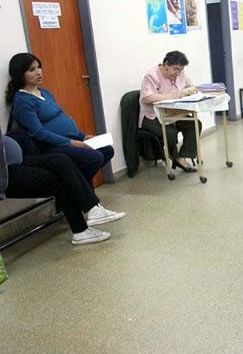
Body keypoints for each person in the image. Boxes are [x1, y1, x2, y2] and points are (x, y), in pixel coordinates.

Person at [6, 53, 125, 226]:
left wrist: (82, 136)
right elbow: (38, 132)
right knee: (93, 157)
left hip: (71, 139)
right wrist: (71, 142)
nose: (39, 72)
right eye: (32, 70)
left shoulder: (44, 92)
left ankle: (73, 193)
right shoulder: (22, 100)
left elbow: (62, 117)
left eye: (39, 67)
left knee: (106, 150)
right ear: (20, 74)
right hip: (50, 146)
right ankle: (77, 197)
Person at [1, 129, 112, 245]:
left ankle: (92, 209)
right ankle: (81, 230)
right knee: (59, 178)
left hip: (13, 162)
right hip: (5, 172)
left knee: (61, 161)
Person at [139, 50, 202, 172]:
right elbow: (147, 98)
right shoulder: (152, 75)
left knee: (194, 124)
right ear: (166, 65)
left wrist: (191, 90)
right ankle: (176, 158)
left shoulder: (180, 74)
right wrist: (176, 95)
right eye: (176, 69)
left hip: (173, 113)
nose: (178, 73)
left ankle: (182, 157)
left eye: (181, 70)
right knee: (170, 133)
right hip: (153, 117)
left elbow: (190, 86)